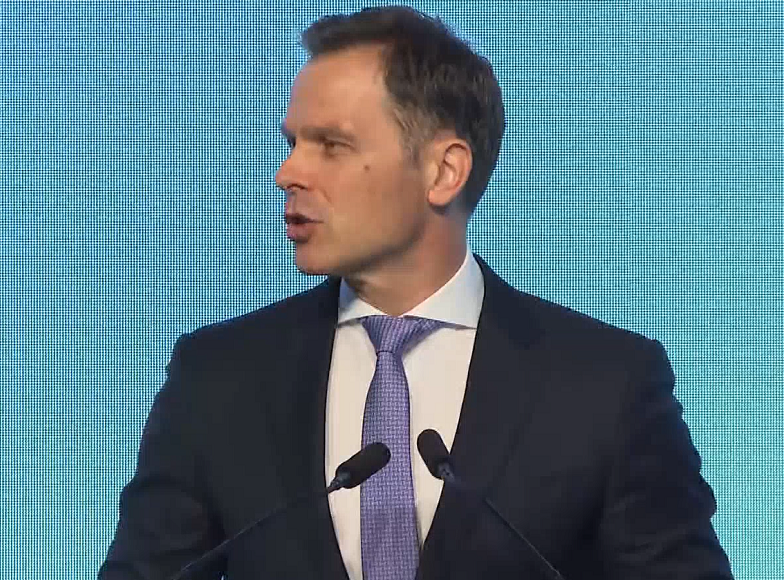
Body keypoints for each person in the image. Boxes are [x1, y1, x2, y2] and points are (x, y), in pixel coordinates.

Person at [99, 5, 734, 579]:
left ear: (443, 170)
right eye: (292, 144)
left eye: (332, 145)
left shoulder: (606, 385)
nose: (287, 173)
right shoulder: (218, 376)